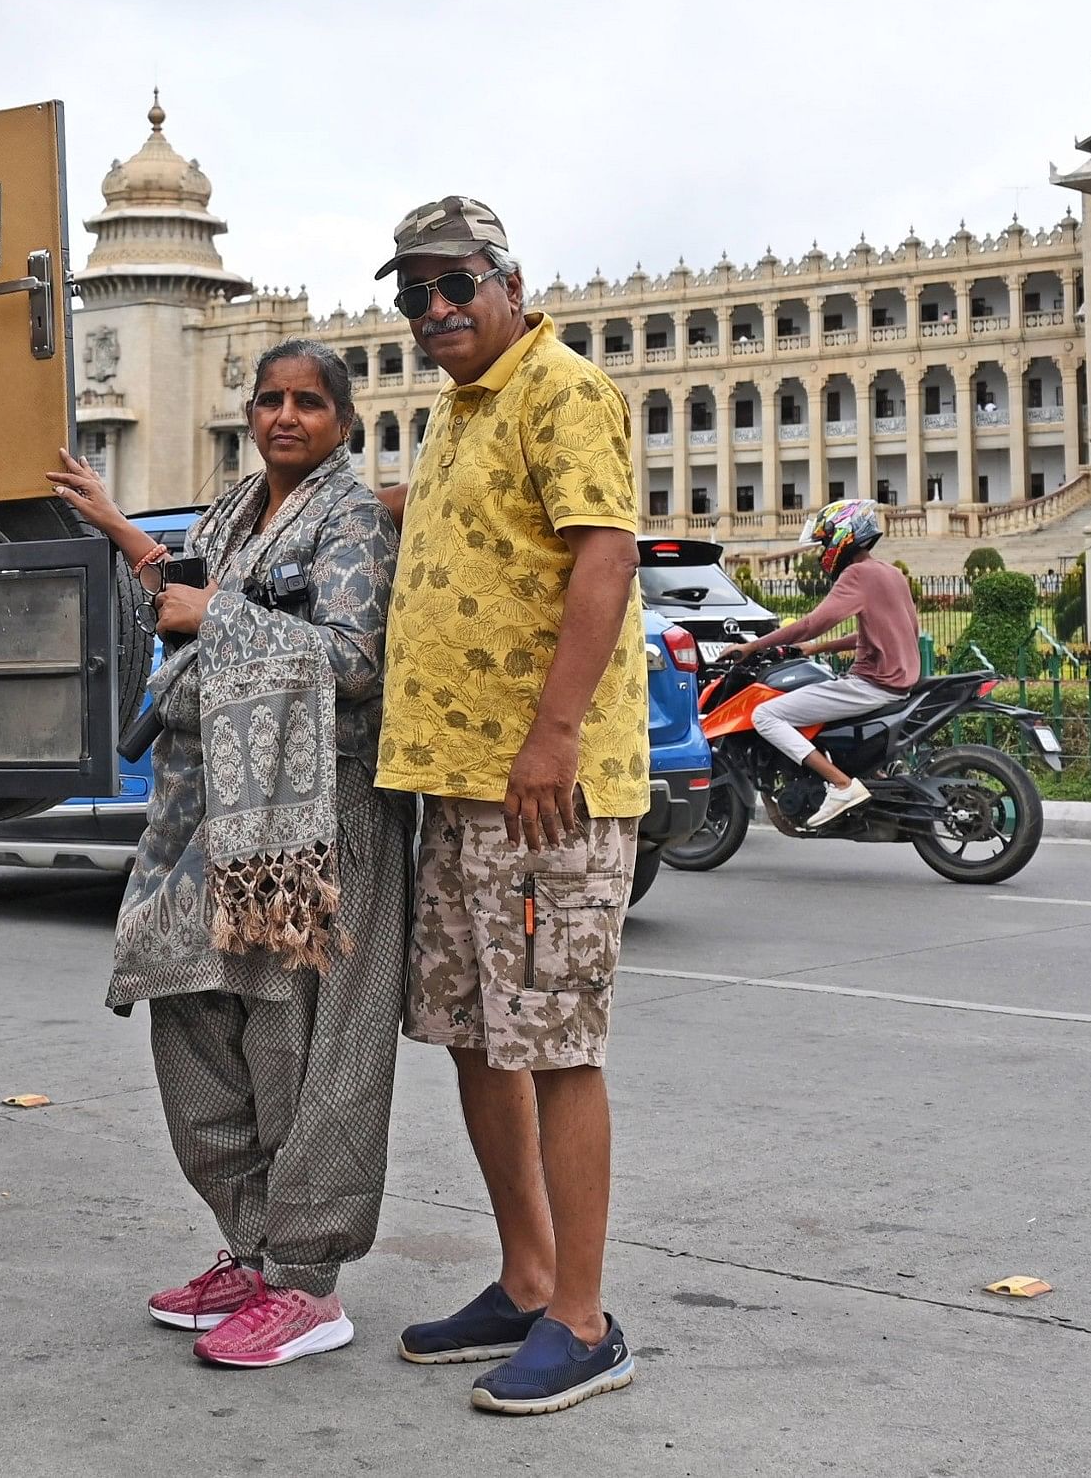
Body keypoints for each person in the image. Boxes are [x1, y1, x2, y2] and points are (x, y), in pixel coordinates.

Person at [50, 341, 409, 1372]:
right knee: (194, 1013)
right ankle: (251, 1248)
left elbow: (349, 657)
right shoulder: (237, 508)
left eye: (308, 402)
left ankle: (307, 1283)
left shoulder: (350, 518)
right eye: (270, 400)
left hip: (314, 813)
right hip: (209, 806)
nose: (285, 416)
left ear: (342, 418)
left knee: (303, 1044)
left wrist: (223, 617)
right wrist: (115, 523)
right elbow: (184, 592)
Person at [367, 197, 649, 1417]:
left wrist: (553, 734)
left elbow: (603, 555)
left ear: (509, 281)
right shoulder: (458, 414)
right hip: (458, 783)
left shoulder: (562, 389)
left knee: (556, 1042)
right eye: (411, 294)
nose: (433, 312)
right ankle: (527, 1275)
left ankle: (584, 1320)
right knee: (479, 1034)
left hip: (544, 789)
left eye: (452, 285)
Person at [720, 499, 921, 828]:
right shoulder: (892, 574)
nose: (823, 551)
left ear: (844, 537)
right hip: (897, 686)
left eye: (826, 542)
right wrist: (819, 647)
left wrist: (754, 645)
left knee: (765, 714)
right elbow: (902, 632)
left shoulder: (856, 574)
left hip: (871, 686)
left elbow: (812, 622)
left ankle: (841, 785)